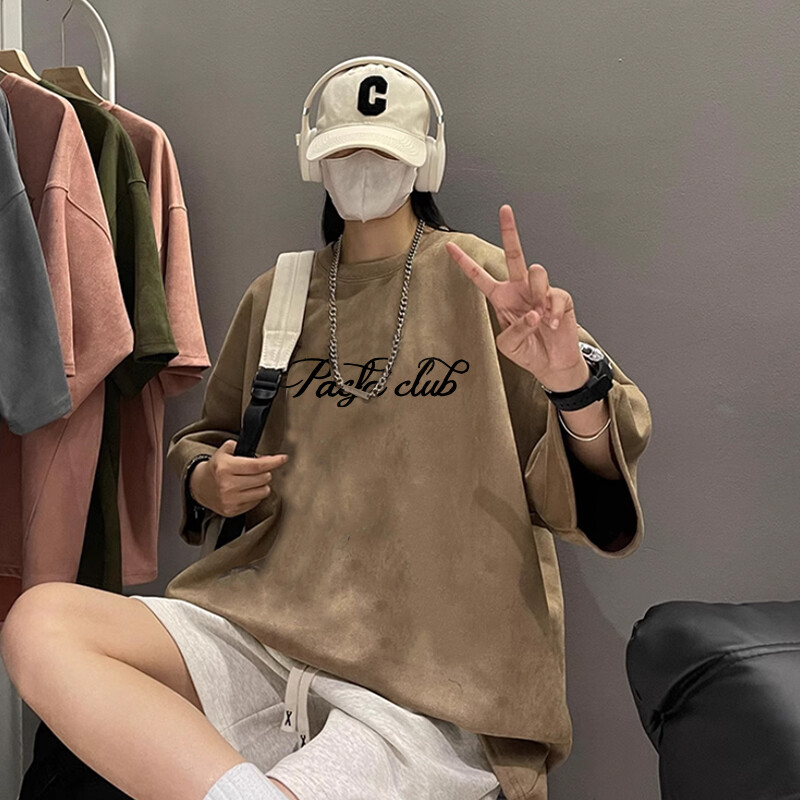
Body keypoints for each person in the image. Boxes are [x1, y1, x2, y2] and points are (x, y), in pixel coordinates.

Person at [0, 57, 651, 800]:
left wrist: (571, 385)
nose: (362, 166)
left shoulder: (485, 283)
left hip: (431, 678)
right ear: (313, 158)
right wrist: (208, 478)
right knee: (41, 621)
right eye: (344, 150)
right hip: (263, 633)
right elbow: (207, 438)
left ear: (424, 161)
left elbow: (592, 495)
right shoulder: (279, 293)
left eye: (383, 151)